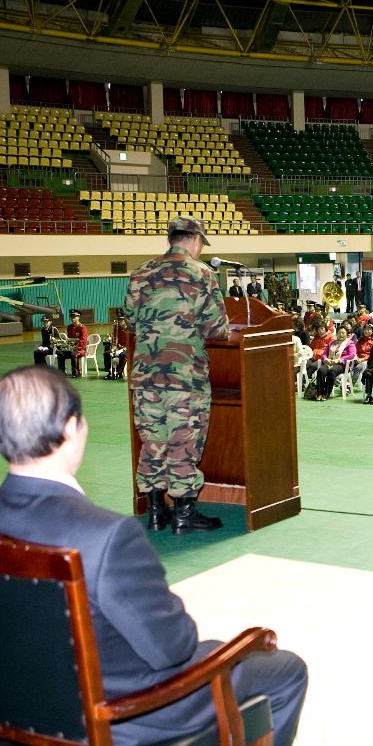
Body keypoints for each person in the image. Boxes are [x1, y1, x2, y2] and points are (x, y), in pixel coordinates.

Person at [0, 366, 307, 746]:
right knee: (280, 669)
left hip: (9, 717)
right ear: (71, 429)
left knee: (219, 652)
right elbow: (172, 647)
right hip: (114, 722)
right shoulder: (105, 535)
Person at [124, 215, 228, 535]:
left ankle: (156, 512)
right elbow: (217, 328)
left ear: (172, 239)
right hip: (185, 378)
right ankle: (183, 514)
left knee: (153, 442)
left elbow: (129, 320)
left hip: (146, 377)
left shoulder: (140, 273)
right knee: (183, 441)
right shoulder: (202, 274)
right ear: (195, 241)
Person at [56, 310, 89, 378]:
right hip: (71, 349)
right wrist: (65, 345)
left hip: (80, 350)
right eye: (71, 317)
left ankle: (76, 372)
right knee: (60, 353)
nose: (72, 318)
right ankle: (62, 372)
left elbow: (83, 341)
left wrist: (75, 347)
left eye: (74, 317)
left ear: (78, 317)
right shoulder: (69, 327)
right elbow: (69, 339)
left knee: (73, 353)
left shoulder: (82, 328)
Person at [105, 314, 129, 380]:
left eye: (121, 320)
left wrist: (121, 350)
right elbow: (114, 340)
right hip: (118, 348)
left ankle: (119, 372)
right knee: (107, 354)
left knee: (122, 355)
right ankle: (110, 372)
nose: (119, 321)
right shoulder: (117, 328)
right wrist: (113, 348)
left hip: (128, 349)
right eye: (118, 320)